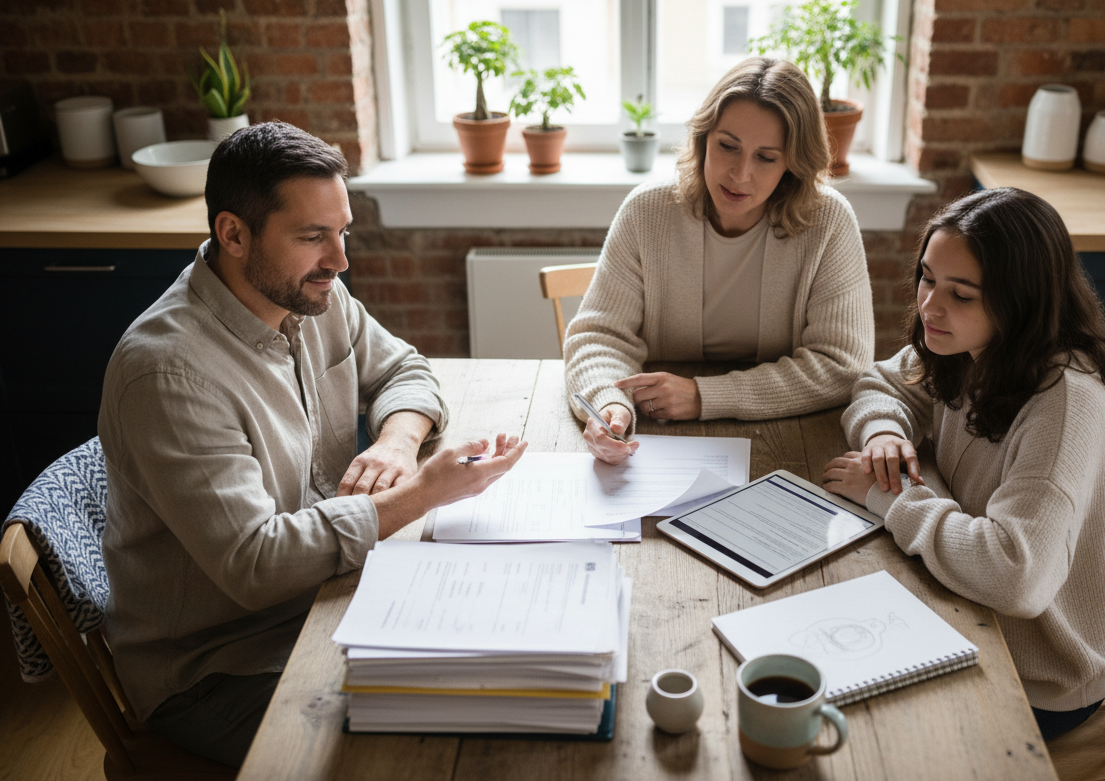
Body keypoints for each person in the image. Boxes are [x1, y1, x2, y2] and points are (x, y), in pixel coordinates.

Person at [97, 122, 526, 766]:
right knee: (443, 744)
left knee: (504, 663)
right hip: (222, 666)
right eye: (312, 237)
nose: (340, 259)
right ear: (234, 234)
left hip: (328, 595)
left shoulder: (310, 296)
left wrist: (398, 444)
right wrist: (418, 496)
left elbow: (406, 370)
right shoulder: (169, 375)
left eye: (342, 232)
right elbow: (255, 565)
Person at [822, 187, 1105, 741]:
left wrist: (888, 497)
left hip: (1038, 670)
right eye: (927, 278)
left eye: (961, 294)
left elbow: (1018, 575)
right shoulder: (970, 345)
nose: (929, 306)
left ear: (1020, 302)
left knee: (854, 723)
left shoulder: (1065, 403)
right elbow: (880, 380)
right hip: (962, 603)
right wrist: (885, 434)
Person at [564, 57, 874, 463]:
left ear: (793, 164)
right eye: (727, 146)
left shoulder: (828, 222)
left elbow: (842, 365)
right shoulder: (646, 212)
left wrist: (703, 396)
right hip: (656, 432)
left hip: (790, 436)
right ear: (702, 138)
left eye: (766, 157)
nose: (739, 174)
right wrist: (610, 404)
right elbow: (599, 337)